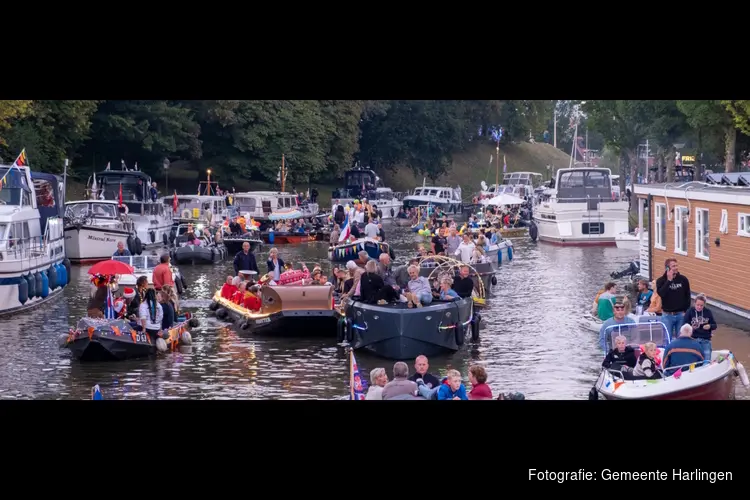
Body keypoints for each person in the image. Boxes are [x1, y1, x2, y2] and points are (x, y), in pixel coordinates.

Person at [656, 258, 691, 338]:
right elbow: (661, 293)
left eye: (676, 265)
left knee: (681, 337)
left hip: (680, 314)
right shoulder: (661, 281)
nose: (676, 268)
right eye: (673, 266)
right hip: (667, 315)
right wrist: (669, 280)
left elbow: (687, 296)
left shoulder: (683, 279)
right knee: (667, 338)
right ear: (667, 268)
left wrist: (686, 311)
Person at [682, 294, 717, 363]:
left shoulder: (708, 312)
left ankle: (706, 368)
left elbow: (714, 325)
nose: (699, 307)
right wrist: (691, 327)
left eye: (701, 305)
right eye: (698, 305)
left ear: (704, 305)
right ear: (694, 303)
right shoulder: (690, 311)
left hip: (705, 340)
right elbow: (684, 325)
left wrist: (709, 326)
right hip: (693, 339)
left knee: (707, 360)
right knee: (692, 360)